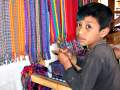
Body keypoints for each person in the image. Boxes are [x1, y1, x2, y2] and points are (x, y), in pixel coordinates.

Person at [58, 2, 120, 90]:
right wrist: (72, 58)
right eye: (79, 25)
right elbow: (89, 64)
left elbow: (81, 87)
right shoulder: (102, 48)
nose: (80, 32)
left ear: (103, 32)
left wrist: (66, 64)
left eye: (88, 26)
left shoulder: (98, 53)